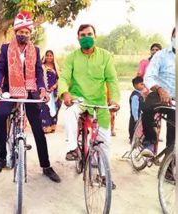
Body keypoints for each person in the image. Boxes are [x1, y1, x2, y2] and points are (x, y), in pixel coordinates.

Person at [0, 11, 61, 183]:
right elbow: (0, 69)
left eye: (27, 32)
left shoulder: (35, 50)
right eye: (21, 32)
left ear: (30, 34)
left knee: (38, 128)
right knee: (0, 117)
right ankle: (1, 158)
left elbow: (38, 71)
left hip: (30, 91)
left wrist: (43, 89)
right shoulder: (6, 48)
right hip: (10, 90)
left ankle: (46, 166)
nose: (23, 35)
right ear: (16, 32)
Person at [58, 24, 120, 189]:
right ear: (78, 38)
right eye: (83, 34)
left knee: (104, 141)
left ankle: (104, 175)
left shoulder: (105, 56)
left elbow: (112, 80)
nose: (86, 37)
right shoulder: (72, 57)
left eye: (89, 34)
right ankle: (73, 149)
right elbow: (63, 77)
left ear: (95, 36)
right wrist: (65, 93)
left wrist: (114, 100)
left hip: (99, 103)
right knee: (70, 113)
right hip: (79, 100)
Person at [141, 28, 176, 158]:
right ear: (172, 37)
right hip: (159, 93)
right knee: (147, 107)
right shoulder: (161, 55)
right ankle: (149, 141)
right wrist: (160, 89)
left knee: (176, 132)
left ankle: (169, 167)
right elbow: (149, 76)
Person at [41, 50, 61, 133]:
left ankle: (53, 125)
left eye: (51, 55)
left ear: (53, 57)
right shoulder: (41, 66)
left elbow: (59, 79)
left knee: (55, 107)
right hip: (44, 91)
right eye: (47, 55)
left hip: (54, 92)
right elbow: (39, 78)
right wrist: (45, 89)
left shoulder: (56, 67)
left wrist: (54, 86)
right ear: (45, 56)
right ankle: (46, 126)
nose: (49, 57)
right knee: (44, 108)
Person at [129, 76, 145, 142]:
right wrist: (136, 118)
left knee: (138, 128)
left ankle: (137, 138)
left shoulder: (139, 94)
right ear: (135, 85)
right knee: (134, 127)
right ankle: (132, 139)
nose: (143, 85)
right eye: (141, 84)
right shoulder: (135, 96)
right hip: (135, 116)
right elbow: (134, 108)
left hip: (139, 115)